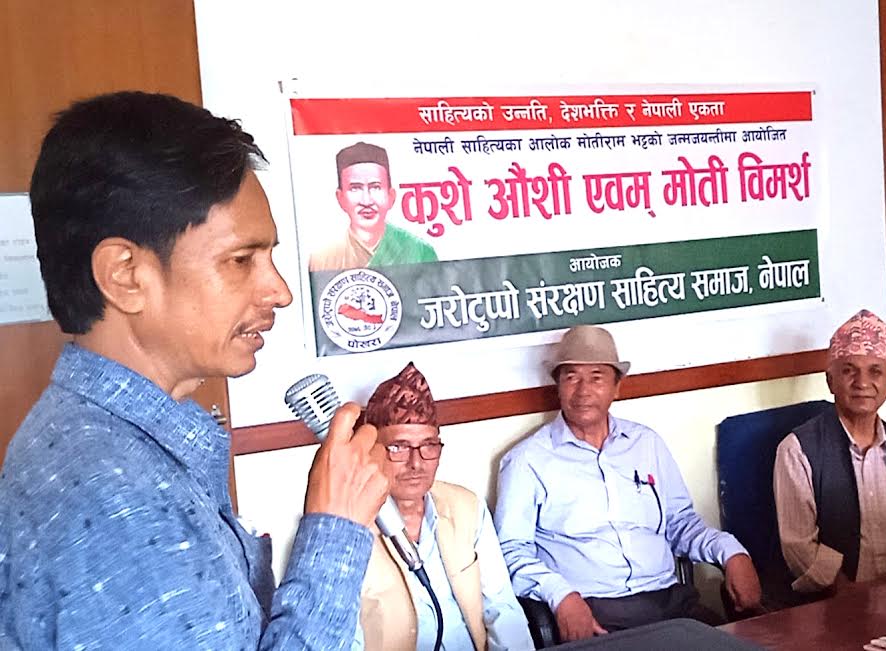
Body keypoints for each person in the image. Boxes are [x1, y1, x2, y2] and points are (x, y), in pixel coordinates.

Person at [0, 91, 390, 648]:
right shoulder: (114, 500)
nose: (279, 291)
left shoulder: (116, 448)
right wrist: (337, 528)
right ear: (125, 275)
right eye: (240, 260)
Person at [495, 325, 762, 642]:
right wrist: (561, 596)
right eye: (571, 377)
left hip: (671, 602)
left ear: (617, 387)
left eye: (596, 377)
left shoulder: (646, 444)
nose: (583, 391)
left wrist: (732, 553)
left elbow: (680, 523)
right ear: (558, 387)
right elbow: (511, 551)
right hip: (596, 612)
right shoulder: (526, 461)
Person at [354, 363, 532, 650]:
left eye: (428, 446)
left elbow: (502, 608)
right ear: (372, 450)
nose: (416, 463)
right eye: (399, 447)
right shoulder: (348, 526)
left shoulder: (467, 507)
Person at [772, 309, 886, 596]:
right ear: (830, 381)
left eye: (875, 371)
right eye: (849, 370)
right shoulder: (797, 451)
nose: (862, 383)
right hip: (831, 602)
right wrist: (854, 597)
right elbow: (799, 546)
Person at [308, 141, 437, 272]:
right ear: (340, 198)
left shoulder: (420, 251)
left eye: (375, 187)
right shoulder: (322, 259)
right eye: (355, 188)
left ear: (391, 196)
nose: (366, 201)